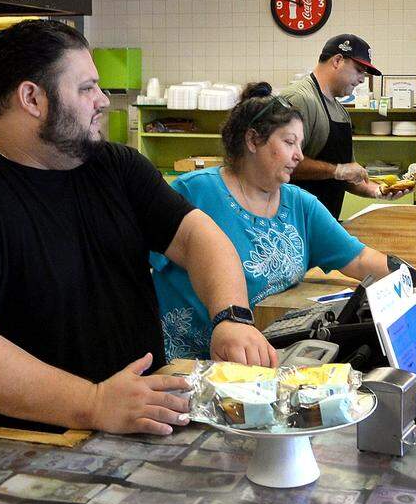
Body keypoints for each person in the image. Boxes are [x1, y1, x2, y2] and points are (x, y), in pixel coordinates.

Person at [0, 20, 277, 436]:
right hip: (16, 454)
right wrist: (92, 403)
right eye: (86, 88)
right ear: (32, 98)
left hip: (130, 430)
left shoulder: (115, 167)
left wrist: (232, 316)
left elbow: (196, 236)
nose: (103, 101)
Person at [151, 82, 392, 360]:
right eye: (289, 142)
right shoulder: (194, 192)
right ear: (253, 140)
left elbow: (360, 259)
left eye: (300, 144)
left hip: (262, 362)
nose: (299, 155)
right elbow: (135, 268)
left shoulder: (300, 205)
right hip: (183, 363)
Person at [283, 33, 411, 218]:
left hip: (324, 222)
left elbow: (346, 175)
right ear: (337, 60)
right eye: (359, 70)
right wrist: (337, 171)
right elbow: (281, 162)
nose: (361, 80)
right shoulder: (300, 99)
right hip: (292, 220)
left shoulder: (340, 112)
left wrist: (377, 190)